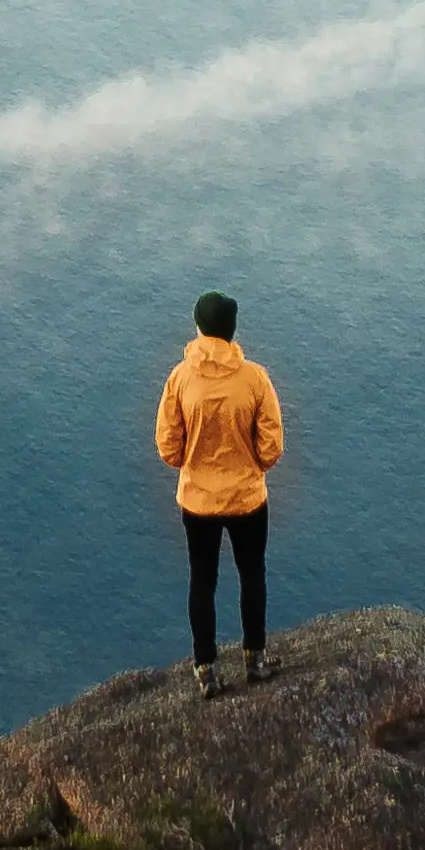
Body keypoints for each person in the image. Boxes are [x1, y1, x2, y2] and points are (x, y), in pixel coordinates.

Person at [158, 291, 281, 687]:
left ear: (199, 329)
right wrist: (252, 468)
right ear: (231, 331)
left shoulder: (180, 378)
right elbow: (272, 444)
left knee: (202, 581)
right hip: (247, 499)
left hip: (198, 501)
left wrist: (190, 465)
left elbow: (167, 444)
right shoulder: (255, 378)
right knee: (252, 576)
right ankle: (255, 659)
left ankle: (205, 669)